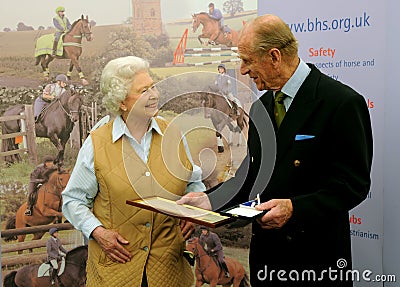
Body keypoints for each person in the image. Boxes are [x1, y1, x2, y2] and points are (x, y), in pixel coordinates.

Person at [178, 14, 373, 287]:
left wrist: (295, 208)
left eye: (247, 60)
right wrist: (209, 201)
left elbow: (353, 185)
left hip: (316, 263)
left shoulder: (341, 103)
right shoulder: (261, 107)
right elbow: (250, 175)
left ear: (274, 56)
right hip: (268, 262)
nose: (243, 70)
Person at [62, 56, 206, 287]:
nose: (154, 95)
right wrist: (98, 232)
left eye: (153, 87)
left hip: (169, 271)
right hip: (115, 272)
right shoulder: (97, 143)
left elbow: (194, 183)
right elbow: (73, 200)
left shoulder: (174, 134)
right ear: (122, 103)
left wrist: (192, 210)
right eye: (144, 91)